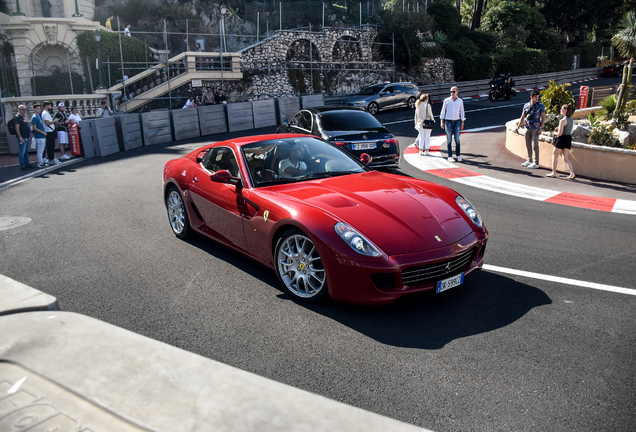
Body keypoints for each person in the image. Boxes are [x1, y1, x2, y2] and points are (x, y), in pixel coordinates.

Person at [515, 89, 546, 169]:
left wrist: (541, 128)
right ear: (531, 97)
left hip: (536, 127)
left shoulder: (540, 105)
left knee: (535, 145)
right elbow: (523, 116)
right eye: (535, 97)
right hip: (527, 126)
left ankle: (536, 162)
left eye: (537, 97)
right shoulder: (526, 105)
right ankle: (529, 159)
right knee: (528, 144)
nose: (537, 98)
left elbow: (543, 117)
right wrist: (518, 126)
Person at [546, 104, 575, 180]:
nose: (561, 110)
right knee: (566, 158)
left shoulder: (562, 120)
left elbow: (560, 133)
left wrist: (553, 133)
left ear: (566, 110)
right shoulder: (571, 119)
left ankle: (554, 173)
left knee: (554, 155)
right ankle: (572, 173)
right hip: (568, 138)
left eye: (562, 109)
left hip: (561, 139)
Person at [439, 86, 465, 162]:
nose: (452, 93)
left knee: (457, 139)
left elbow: (462, 112)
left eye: (453, 92)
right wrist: (442, 121)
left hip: (457, 121)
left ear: (457, 92)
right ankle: (450, 156)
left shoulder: (460, 101)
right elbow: (443, 111)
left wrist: (462, 122)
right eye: (451, 92)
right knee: (449, 139)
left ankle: (458, 155)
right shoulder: (446, 100)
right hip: (448, 121)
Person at [13, 105, 33, 170]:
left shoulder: (22, 117)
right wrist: (20, 137)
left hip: (26, 136)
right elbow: (17, 128)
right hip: (22, 137)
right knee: (22, 152)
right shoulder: (17, 117)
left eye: (25, 109)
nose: (24, 110)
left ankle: (27, 164)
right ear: (19, 110)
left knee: (26, 151)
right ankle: (22, 165)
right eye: (22, 109)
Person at [41, 101, 60, 165]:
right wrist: (54, 121)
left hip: (50, 131)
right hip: (49, 132)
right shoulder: (45, 113)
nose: (51, 107)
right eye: (50, 106)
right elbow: (47, 123)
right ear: (46, 106)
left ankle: (51, 158)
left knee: (51, 146)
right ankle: (51, 159)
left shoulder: (46, 113)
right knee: (50, 146)